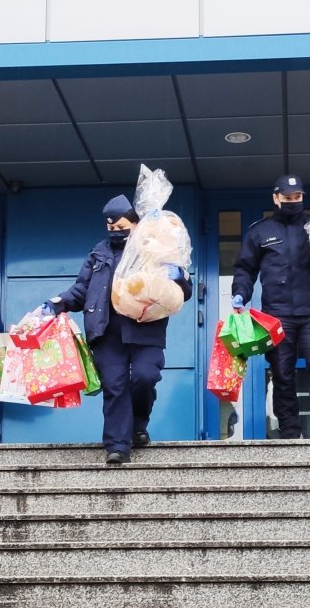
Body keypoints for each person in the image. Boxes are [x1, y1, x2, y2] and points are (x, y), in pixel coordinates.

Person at [44, 194, 192, 464]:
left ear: (136, 224)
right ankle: (117, 445)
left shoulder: (154, 249)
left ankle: (137, 425)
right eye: (111, 228)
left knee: (145, 377)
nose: (116, 232)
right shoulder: (98, 252)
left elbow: (183, 291)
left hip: (144, 328)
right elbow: (82, 289)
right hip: (107, 329)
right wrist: (57, 303)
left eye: (121, 227)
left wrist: (178, 276)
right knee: (115, 386)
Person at [232, 175, 310, 440]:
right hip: (277, 316)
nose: (293, 202)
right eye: (287, 198)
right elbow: (245, 269)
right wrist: (239, 295)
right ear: (275, 198)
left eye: (297, 197)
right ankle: (289, 430)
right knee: (282, 372)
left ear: (303, 197)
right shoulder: (260, 232)